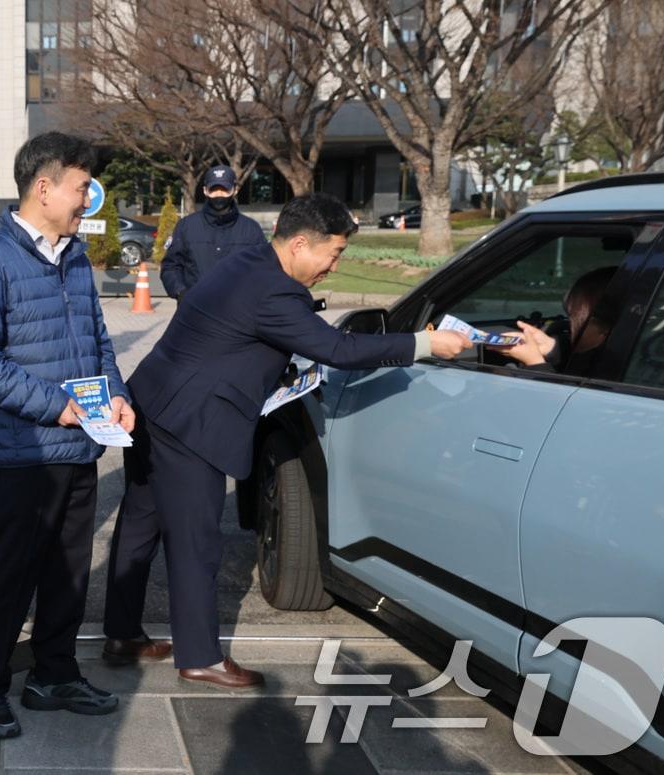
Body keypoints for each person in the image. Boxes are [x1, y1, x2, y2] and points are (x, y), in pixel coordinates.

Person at [102, 193, 472, 689]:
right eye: (334, 253)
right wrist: (425, 343)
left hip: (154, 403)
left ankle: (121, 634)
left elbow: (244, 340)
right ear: (299, 244)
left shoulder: (250, 263)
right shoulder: (273, 290)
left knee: (140, 525)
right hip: (191, 422)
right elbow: (337, 348)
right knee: (195, 543)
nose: (334, 266)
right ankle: (200, 657)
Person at [0, 131, 135, 740]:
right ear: (44, 187)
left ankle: (54, 673)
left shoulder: (74, 256)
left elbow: (99, 341)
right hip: (24, 449)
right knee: (11, 575)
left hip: (79, 442)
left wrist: (116, 397)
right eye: (82, 187)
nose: (89, 199)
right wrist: (58, 409)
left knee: (69, 571)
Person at [159, 165, 267, 299]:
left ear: (235, 190)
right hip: (194, 309)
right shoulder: (186, 226)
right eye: (214, 189)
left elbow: (263, 269)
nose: (219, 194)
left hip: (237, 312)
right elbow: (171, 266)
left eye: (224, 189)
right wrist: (180, 292)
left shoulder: (251, 229)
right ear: (205, 191)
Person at [496, 266, 618, 373]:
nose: (570, 327)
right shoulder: (618, 356)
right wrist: (551, 347)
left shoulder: (613, 370)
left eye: (572, 319)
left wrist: (534, 364)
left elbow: (566, 396)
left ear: (604, 329)